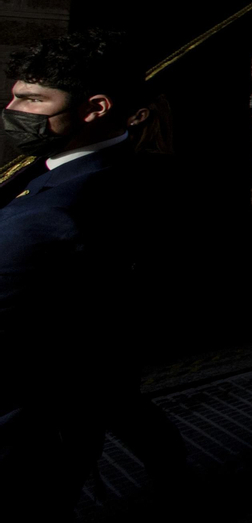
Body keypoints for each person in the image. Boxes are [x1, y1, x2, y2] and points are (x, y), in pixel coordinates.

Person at [1, 30, 147, 521]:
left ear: (95, 107)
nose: (13, 107)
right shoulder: (81, 166)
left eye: (32, 98)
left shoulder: (62, 208)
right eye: (15, 94)